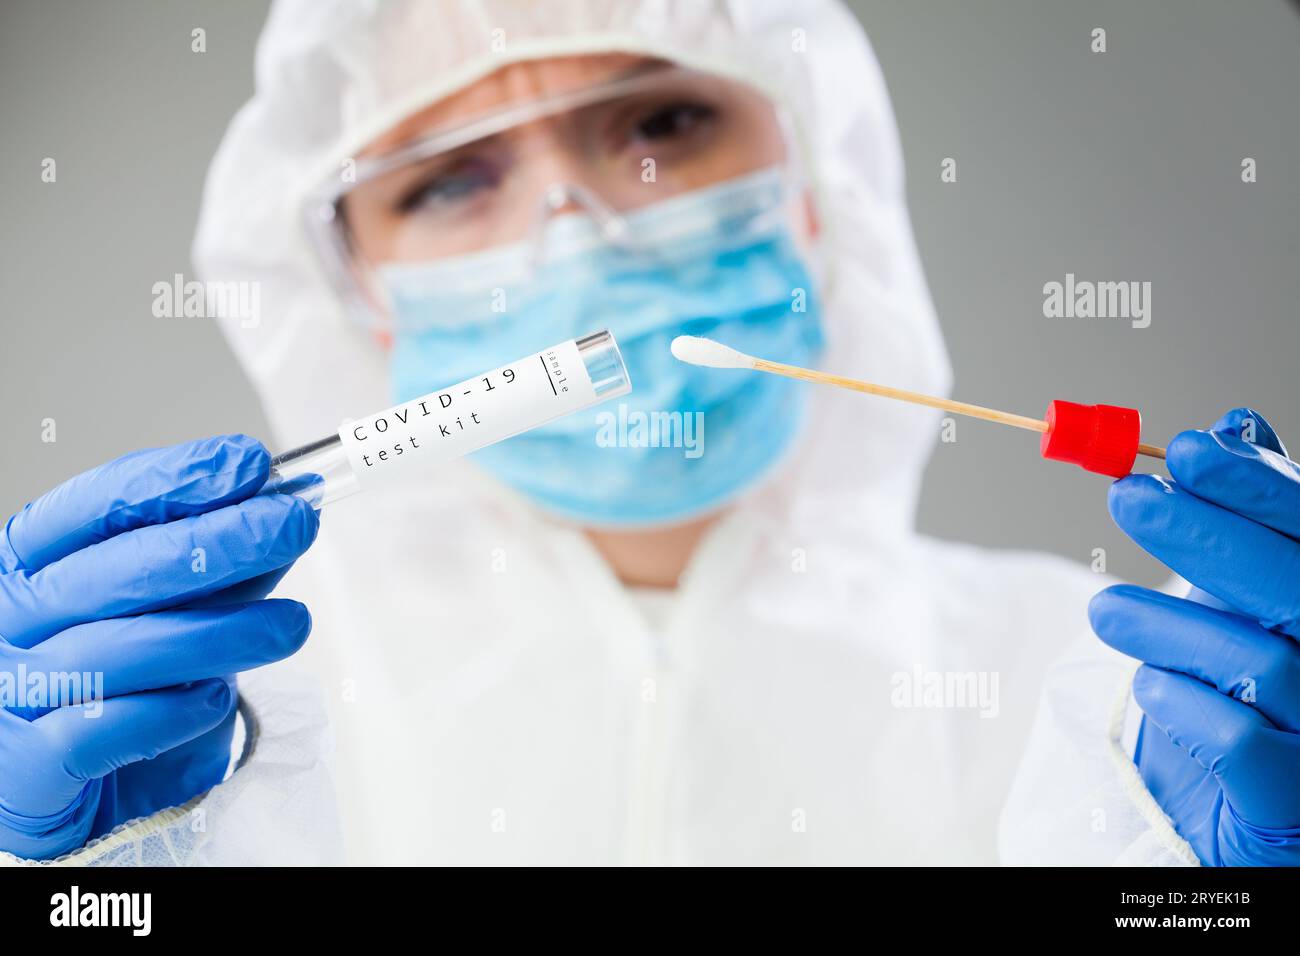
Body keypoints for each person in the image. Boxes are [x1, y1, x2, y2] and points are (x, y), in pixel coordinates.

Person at [1, 0, 1296, 866]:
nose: (576, 233)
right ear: (357, 301)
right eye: (451, 179)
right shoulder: (224, 716)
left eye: (663, 124)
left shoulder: (1102, 693)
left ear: (817, 187)